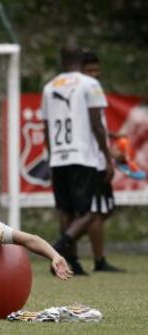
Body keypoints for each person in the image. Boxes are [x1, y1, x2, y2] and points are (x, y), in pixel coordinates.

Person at [41, 45, 114, 275]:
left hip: (59, 157)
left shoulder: (49, 87)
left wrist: (52, 157)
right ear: (81, 60)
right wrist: (108, 157)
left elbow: (46, 128)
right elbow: (96, 125)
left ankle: (70, 261)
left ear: (61, 60)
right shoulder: (90, 84)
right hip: (83, 156)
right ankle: (60, 247)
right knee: (90, 211)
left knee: (65, 210)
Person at [78, 50, 125, 273]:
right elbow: (94, 128)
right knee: (95, 211)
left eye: (96, 70)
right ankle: (96, 259)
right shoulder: (87, 89)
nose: (94, 74)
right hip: (93, 161)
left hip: (90, 158)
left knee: (101, 210)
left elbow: (95, 126)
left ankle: (67, 245)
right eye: (89, 70)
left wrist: (109, 135)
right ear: (79, 71)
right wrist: (110, 157)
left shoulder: (83, 90)